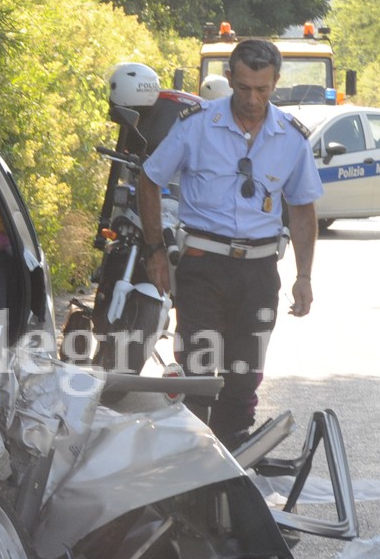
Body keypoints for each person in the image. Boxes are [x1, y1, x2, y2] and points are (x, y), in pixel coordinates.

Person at [137, 39, 322, 448]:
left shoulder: (290, 138)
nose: (252, 99)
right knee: (199, 371)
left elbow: (303, 210)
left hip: (258, 273)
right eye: (243, 88)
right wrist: (155, 251)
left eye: (262, 90)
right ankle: (190, 456)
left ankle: (235, 455)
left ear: (276, 83)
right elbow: (149, 180)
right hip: (204, 268)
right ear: (229, 80)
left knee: (243, 373)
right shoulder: (196, 124)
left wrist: (304, 276)